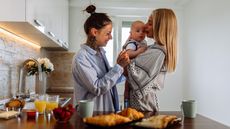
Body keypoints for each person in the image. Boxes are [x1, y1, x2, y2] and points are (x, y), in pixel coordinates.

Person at [72, 5, 130, 112]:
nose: (111, 37)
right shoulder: (81, 57)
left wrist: (124, 69)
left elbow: (108, 80)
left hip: (104, 112)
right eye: (108, 33)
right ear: (94, 32)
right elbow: (97, 87)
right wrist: (119, 67)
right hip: (91, 114)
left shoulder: (100, 53)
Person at [126, 8, 178, 112]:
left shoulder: (157, 52)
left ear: (160, 27)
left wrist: (125, 59)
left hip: (143, 107)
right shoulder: (152, 48)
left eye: (149, 23)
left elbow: (134, 75)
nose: (145, 26)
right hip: (143, 105)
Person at [122, 20, 147, 106]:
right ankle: (126, 102)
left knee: (129, 87)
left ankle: (127, 102)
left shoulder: (140, 43)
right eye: (138, 31)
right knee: (127, 88)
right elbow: (128, 53)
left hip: (133, 71)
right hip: (128, 70)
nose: (141, 33)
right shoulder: (132, 43)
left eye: (144, 31)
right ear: (131, 34)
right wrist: (138, 52)